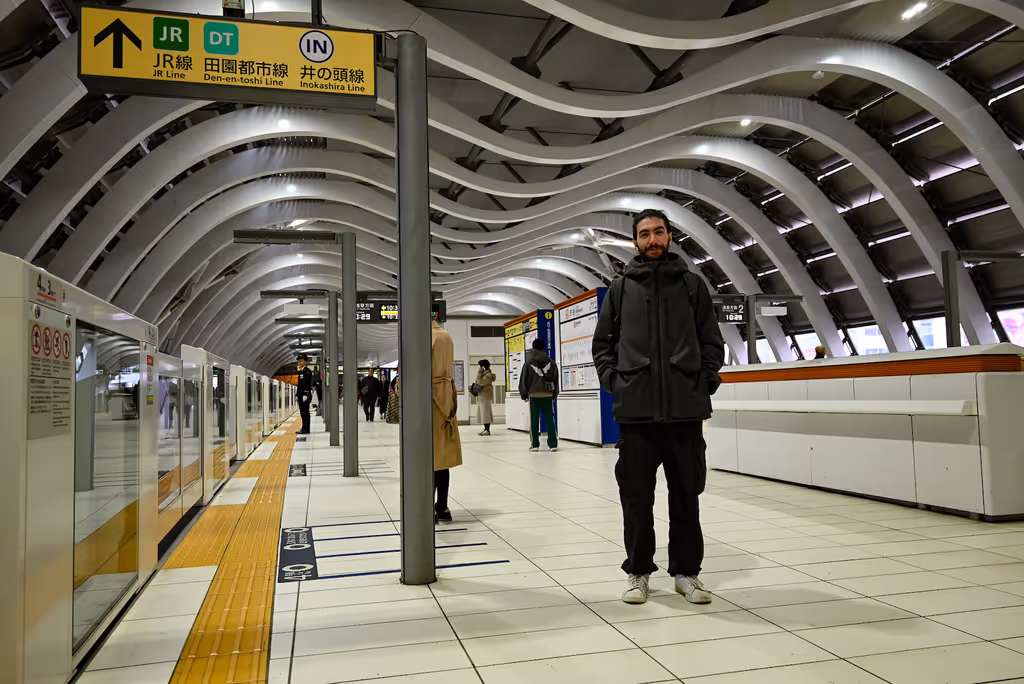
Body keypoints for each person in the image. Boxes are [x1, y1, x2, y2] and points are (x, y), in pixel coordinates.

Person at [593, 208, 725, 606]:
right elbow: (603, 347)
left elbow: (712, 343)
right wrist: (618, 384)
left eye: (659, 232)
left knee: (686, 495)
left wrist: (704, 381)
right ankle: (638, 572)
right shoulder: (620, 289)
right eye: (645, 234)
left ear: (670, 236)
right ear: (635, 241)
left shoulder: (692, 285)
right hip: (636, 415)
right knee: (636, 499)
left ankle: (687, 573)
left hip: (684, 413)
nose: (652, 240)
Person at [431, 319, 463, 522]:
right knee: (442, 458)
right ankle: (442, 507)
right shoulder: (446, 336)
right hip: (446, 397)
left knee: (427, 458)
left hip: (430, 397)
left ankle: (425, 507)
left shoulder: (424, 337)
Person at [518, 338, 559, 452]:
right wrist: (554, 394)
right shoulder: (550, 362)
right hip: (547, 394)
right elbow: (555, 379)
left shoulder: (528, 362)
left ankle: (535, 444)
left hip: (534, 394)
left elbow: (524, 379)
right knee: (550, 420)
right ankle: (553, 444)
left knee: (534, 420)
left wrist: (524, 394)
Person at [475, 360, 496, 436]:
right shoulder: (484, 374)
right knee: (483, 413)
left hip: (486, 396)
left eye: (480, 366)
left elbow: (480, 382)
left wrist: (479, 372)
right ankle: (485, 429)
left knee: (486, 413)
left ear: (483, 367)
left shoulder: (488, 375)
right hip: (482, 396)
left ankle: (487, 430)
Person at [295, 354, 314, 435]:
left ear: (305, 362)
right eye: (299, 361)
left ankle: (306, 429)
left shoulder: (307, 371)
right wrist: (297, 394)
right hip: (301, 395)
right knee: (303, 412)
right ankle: (304, 427)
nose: (299, 362)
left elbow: (306, 384)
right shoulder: (302, 371)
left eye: (301, 361)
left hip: (304, 395)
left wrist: (305, 394)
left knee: (305, 412)